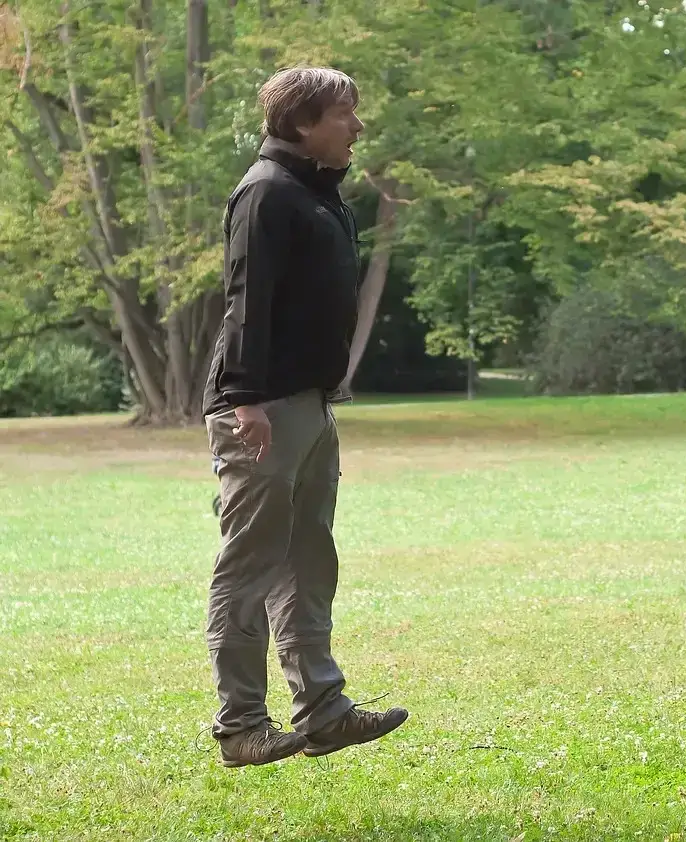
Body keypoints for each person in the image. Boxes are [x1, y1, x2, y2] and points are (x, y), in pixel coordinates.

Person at [201, 66, 408, 768]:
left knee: (309, 558)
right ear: (300, 124)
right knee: (250, 564)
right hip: (262, 407)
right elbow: (245, 303)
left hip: (312, 405)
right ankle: (240, 727)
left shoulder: (313, 193)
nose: (356, 126)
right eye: (344, 113)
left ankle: (323, 711)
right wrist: (244, 401)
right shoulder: (265, 194)